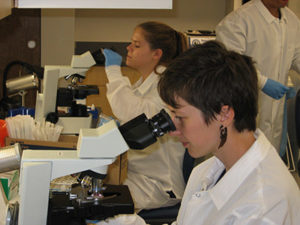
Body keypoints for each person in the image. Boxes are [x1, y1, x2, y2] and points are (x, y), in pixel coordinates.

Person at [97, 41, 300, 225]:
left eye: (180, 117)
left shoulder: (264, 208)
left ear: (224, 114)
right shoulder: (209, 169)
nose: (173, 131)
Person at [102, 21, 188, 211]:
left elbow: (132, 112)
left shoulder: (166, 84)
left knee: (96, 205)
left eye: (137, 45)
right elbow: (134, 113)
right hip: (140, 176)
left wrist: (113, 72)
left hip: (158, 185)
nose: (129, 48)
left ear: (156, 54)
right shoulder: (148, 81)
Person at [215, 0, 300, 155]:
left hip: (275, 113)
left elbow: (297, 55)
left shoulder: (292, 20)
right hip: (243, 109)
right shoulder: (238, 21)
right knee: (239, 163)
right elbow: (230, 63)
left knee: (268, 161)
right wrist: (264, 82)